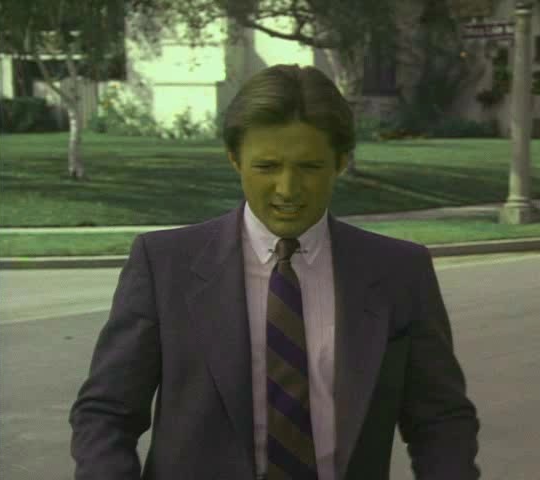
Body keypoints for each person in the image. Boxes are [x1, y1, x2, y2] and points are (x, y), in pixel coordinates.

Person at [69, 64, 480, 480]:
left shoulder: (398, 272)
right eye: (267, 167)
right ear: (235, 159)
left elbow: (441, 421)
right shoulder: (164, 266)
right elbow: (107, 413)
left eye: (309, 167)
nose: (287, 188)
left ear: (340, 162)